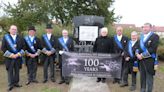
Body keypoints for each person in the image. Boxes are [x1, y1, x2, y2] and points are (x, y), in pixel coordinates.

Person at [136, 23, 159, 92]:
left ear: (150, 28)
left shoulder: (155, 36)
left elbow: (153, 49)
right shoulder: (141, 36)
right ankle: (142, 89)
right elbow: (137, 47)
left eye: (146, 27)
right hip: (140, 61)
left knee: (149, 78)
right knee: (142, 77)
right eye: (144, 27)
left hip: (150, 61)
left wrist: (142, 55)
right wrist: (137, 54)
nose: (145, 28)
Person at [1, 25, 25, 91]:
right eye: (12, 29)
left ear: (16, 30)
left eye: (15, 29)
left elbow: (24, 47)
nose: (14, 30)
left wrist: (18, 54)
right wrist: (11, 55)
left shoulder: (20, 37)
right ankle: (10, 84)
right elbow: (3, 48)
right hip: (9, 58)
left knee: (17, 71)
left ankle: (16, 83)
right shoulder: (5, 38)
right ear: (9, 30)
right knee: (10, 71)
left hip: (18, 57)